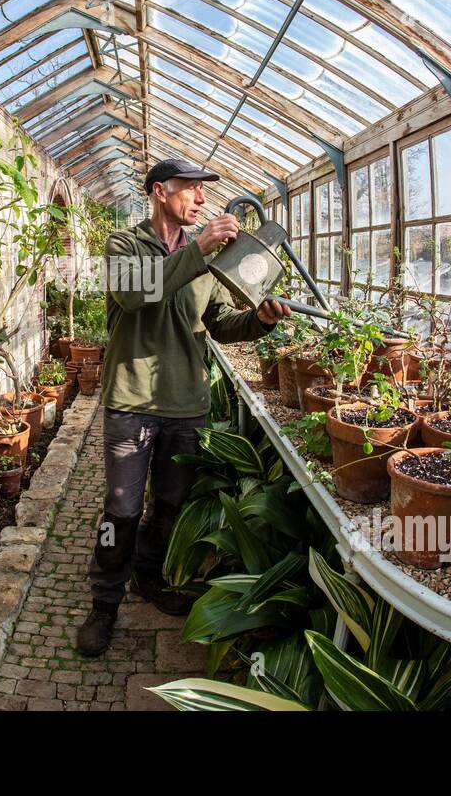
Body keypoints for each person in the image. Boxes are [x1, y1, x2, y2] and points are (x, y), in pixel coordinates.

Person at [75, 158, 293, 657]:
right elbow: (134, 294)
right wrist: (197, 250)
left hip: (186, 403)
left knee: (170, 505)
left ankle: (149, 576)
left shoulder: (209, 262)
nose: (200, 199)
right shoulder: (124, 245)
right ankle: (103, 603)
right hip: (131, 401)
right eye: (190, 189)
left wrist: (259, 320)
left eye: (203, 191)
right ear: (158, 192)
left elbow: (219, 324)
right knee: (121, 508)